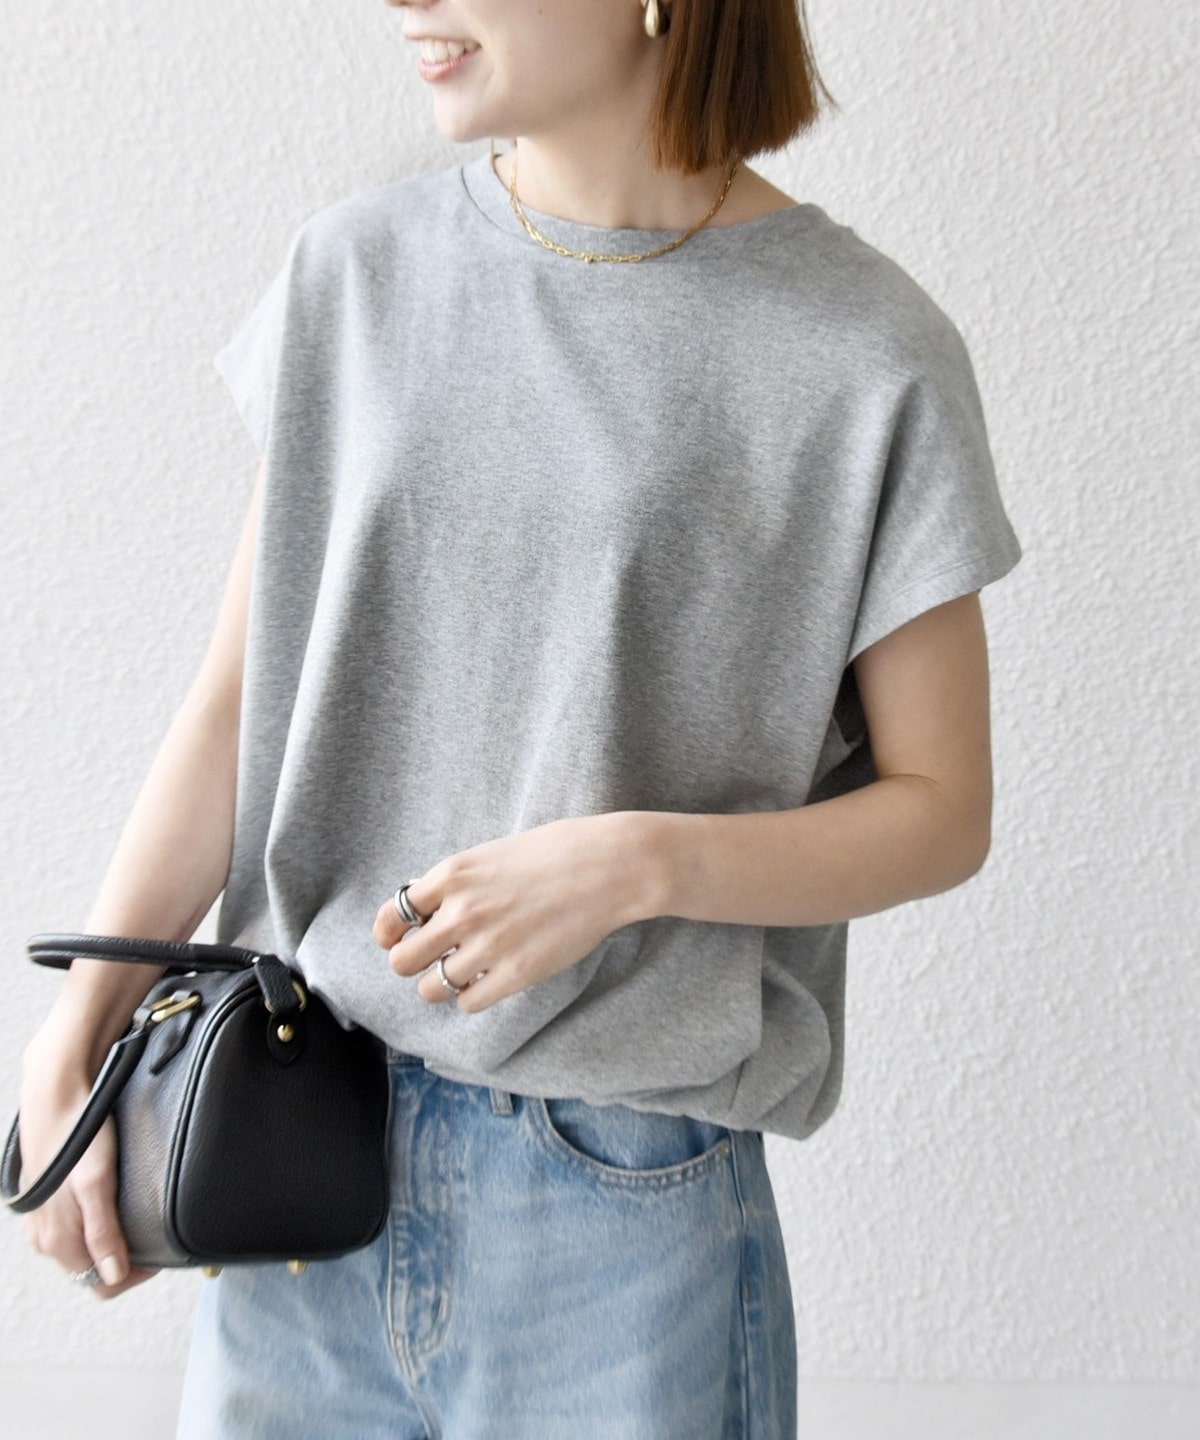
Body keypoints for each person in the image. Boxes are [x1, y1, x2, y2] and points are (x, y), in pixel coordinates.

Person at [14, 1, 1022, 1436]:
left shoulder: (864, 349)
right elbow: (240, 705)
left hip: (621, 1218)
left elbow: (941, 809)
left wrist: (635, 864)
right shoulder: (356, 275)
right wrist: (80, 1028)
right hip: (297, 1165)